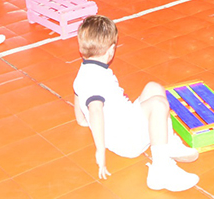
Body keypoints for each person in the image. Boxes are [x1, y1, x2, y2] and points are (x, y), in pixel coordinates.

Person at [73, 15, 200, 192]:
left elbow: (78, 93)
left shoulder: (85, 71)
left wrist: (81, 119)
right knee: (158, 104)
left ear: (81, 48)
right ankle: (161, 170)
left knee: (153, 87)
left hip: (124, 123)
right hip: (125, 139)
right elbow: (95, 110)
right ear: (111, 50)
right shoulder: (96, 77)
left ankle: (167, 143)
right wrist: (100, 151)